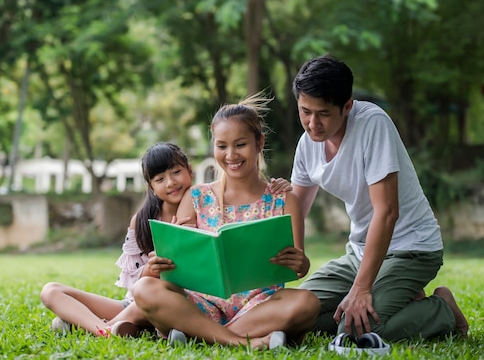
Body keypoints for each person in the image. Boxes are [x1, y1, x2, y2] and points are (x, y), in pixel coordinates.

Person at [290, 54, 468, 341]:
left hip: (412, 247)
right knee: (295, 313)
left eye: (323, 113)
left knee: (358, 329)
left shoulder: (372, 123)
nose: (312, 123)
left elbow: (387, 212)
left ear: (347, 106)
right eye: (305, 111)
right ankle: (396, 297)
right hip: (360, 253)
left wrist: (361, 289)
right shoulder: (308, 144)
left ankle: (442, 309)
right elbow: (294, 209)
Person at [40, 142, 294, 337]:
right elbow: (135, 286)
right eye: (160, 179)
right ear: (151, 187)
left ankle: (97, 328)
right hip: (140, 301)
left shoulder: (207, 204)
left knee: (154, 302)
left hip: (184, 302)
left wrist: (277, 184)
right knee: (50, 290)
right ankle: (105, 330)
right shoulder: (141, 220)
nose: (171, 183)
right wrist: (150, 271)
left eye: (176, 172)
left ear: (189, 171)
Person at [132, 93, 321, 349]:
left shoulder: (284, 200)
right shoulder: (197, 196)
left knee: (308, 303)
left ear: (259, 143)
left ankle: (198, 335)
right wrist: (164, 261)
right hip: (201, 303)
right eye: (222, 146)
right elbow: (182, 260)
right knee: (144, 288)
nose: (231, 155)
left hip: (259, 307)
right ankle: (239, 342)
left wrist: (302, 262)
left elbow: (299, 268)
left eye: (240, 144)